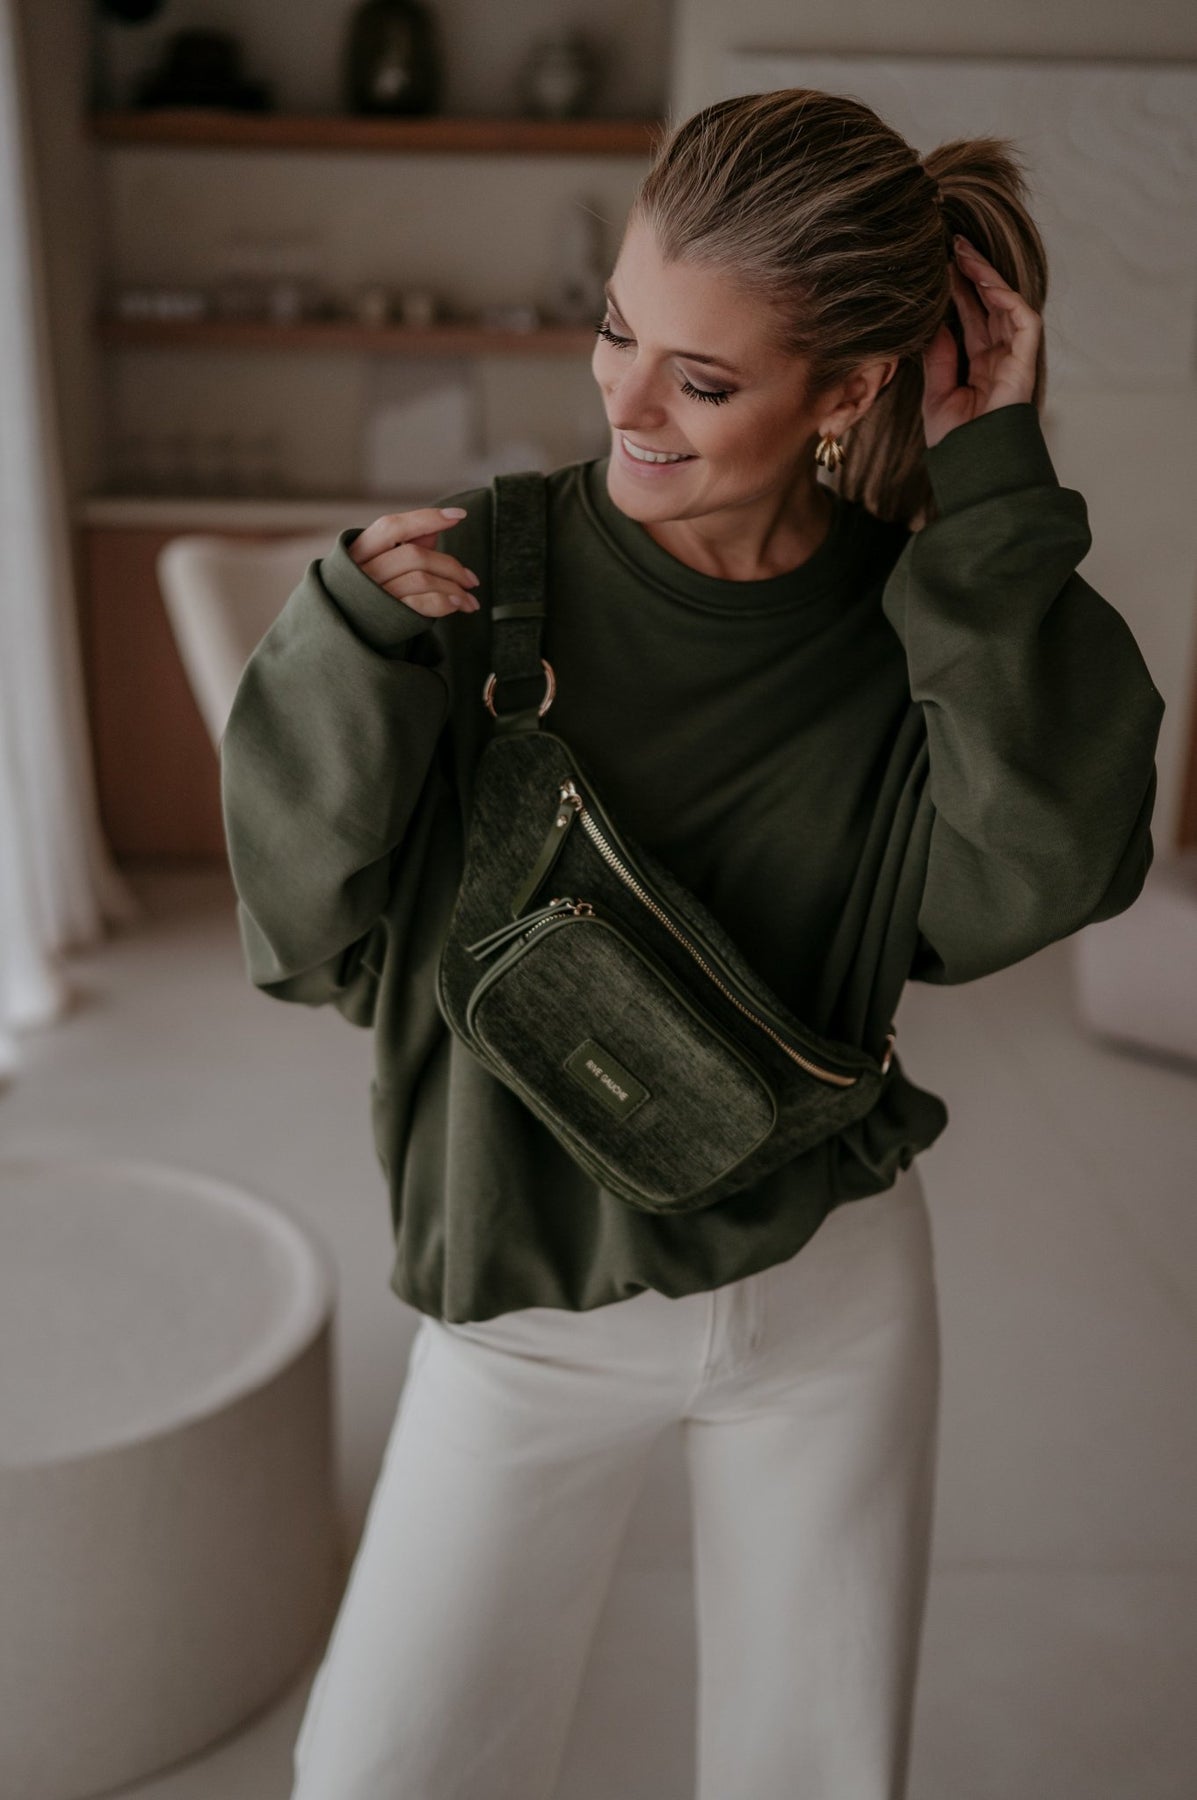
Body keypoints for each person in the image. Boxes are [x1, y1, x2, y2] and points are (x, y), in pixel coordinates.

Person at [219, 88, 1164, 1800]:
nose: (623, 403)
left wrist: (994, 487)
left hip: (829, 1288)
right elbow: (302, 940)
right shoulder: (464, 579)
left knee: (817, 1774)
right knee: (383, 1775)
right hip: (527, 1297)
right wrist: (336, 646)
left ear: (848, 391)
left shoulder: (921, 612)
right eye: (615, 332)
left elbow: (1034, 882)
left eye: (701, 380)